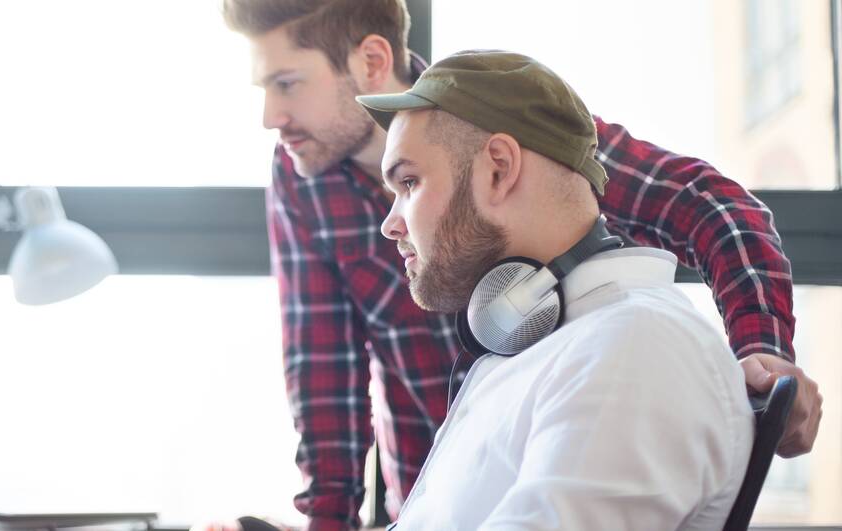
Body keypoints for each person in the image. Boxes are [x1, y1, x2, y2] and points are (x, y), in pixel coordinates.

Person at [219, 1, 823, 528]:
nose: (270, 116)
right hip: (436, 488)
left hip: (561, 440)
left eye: (287, 83)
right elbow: (323, 379)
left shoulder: (501, 120)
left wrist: (763, 356)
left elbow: (710, 208)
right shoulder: (301, 178)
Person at [360, 49, 754, 529]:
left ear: (499, 169)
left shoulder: (636, 345)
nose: (390, 224)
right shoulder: (556, 343)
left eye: (409, 182)